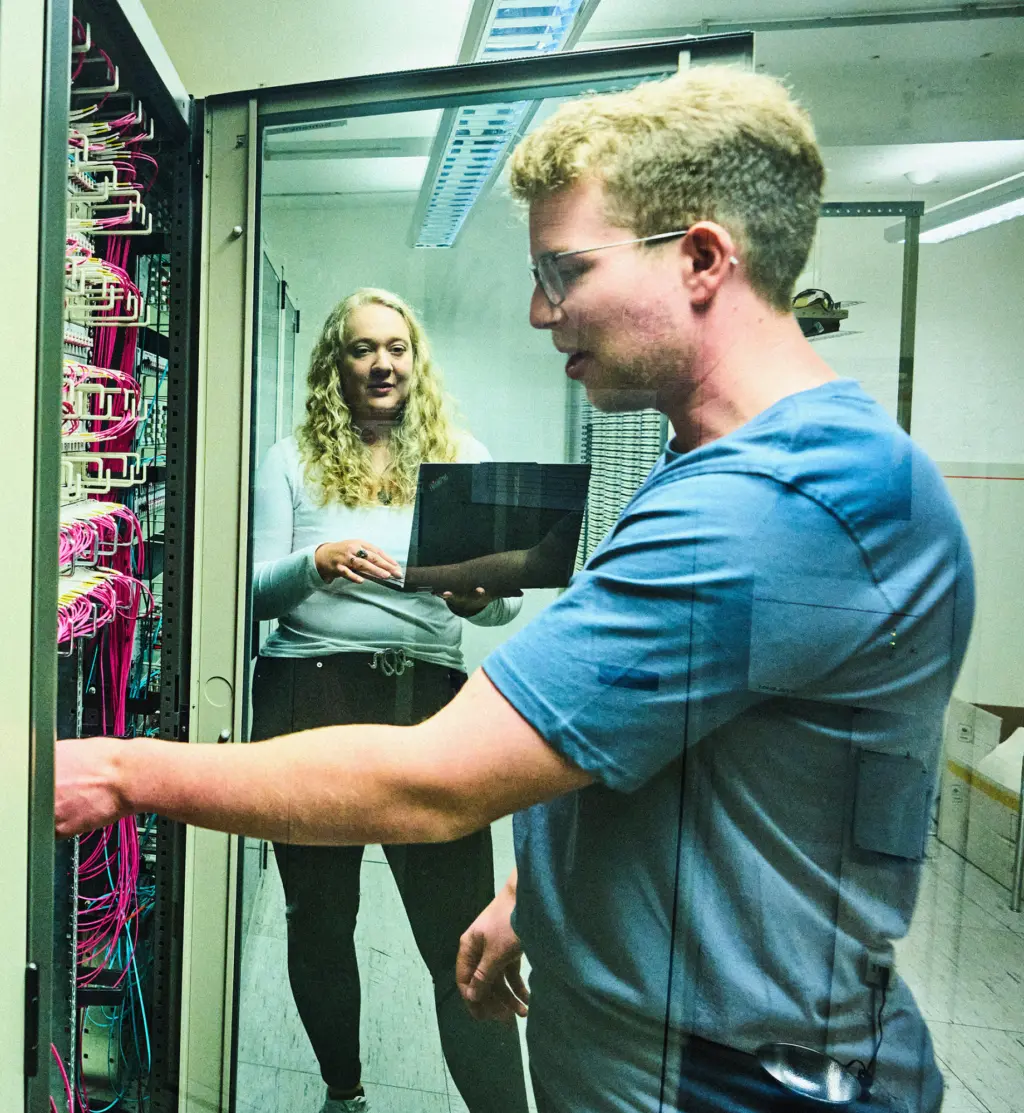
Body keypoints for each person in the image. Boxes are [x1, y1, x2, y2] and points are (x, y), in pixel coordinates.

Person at [56, 67, 974, 1113]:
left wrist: (119, 768)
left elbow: (430, 782)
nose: (541, 311)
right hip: (667, 1043)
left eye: (565, 269)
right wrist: (531, 889)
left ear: (703, 259)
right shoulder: (715, 474)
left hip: (725, 1081)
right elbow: (658, 747)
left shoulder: (775, 505)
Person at [248, 287, 529, 1113]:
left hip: (429, 703)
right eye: (364, 348)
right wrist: (318, 561)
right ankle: (346, 1093)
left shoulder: (462, 459)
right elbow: (253, 591)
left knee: (461, 937)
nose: (383, 363)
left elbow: (504, 595)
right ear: (336, 362)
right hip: (310, 691)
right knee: (322, 919)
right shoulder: (288, 458)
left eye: (397, 348)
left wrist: (484, 600)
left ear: (417, 361)